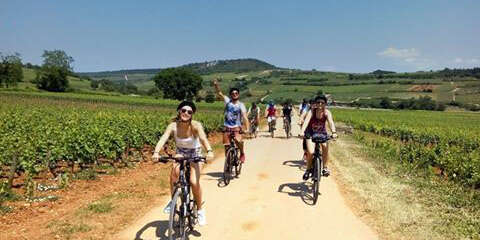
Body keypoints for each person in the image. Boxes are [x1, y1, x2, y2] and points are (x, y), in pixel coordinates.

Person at [152, 101, 214, 226]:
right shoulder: (173, 126)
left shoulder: (195, 125)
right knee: (174, 175)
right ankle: (173, 201)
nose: (186, 113)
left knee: (193, 181)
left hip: (195, 153)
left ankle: (201, 210)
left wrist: (209, 151)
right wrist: (156, 152)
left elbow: (203, 138)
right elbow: (163, 138)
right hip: (180, 152)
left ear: (192, 115)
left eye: (189, 112)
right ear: (179, 111)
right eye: (183, 110)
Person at [300, 95, 337, 179]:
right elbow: (306, 122)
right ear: (315, 104)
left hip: (322, 133)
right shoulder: (311, 112)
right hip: (310, 133)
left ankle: (325, 168)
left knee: (325, 147)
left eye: (322, 103)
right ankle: (308, 169)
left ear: (325, 104)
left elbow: (331, 122)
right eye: (318, 102)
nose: (320, 104)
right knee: (311, 152)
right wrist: (302, 131)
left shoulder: (327, 112)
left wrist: (334, 132)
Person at [213, 79, 249, 163]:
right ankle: (229, 162)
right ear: (230, 95)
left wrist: (247, 128)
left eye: (236, 93)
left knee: (238, 140)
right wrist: (216, 85)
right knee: (226, 146)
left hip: (236, 127)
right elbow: (219, 93)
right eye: (233, 94)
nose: (234, 95)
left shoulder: (241, 105)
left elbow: (245, 117)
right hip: (227, 126)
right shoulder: (227, 101)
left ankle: (242, 153)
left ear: (238, 94)